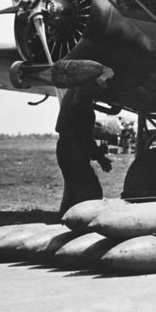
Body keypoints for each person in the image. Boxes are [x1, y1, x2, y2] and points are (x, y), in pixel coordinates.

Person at [55, 82, 114, 217]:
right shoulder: (80, 95)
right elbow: (82, 135)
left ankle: (65, 223)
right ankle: (86, 223)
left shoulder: (74, 94)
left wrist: (99, 156)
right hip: (74, 148)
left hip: (69, 147)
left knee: (73, 192)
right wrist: (99, 154)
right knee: (90, 191)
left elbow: (83, 135)